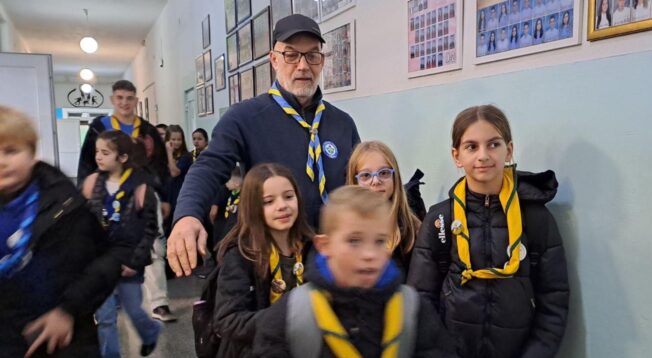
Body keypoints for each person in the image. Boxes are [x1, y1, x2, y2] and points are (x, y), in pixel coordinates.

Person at [240, 186, 488, 358]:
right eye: (354, 241)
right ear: (324, 245)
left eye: (379, 241)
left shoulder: (411, 309)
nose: (369, 254)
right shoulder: (294, 313)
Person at [407, 105, 569, 358]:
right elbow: (420, 302)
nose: (483, 155)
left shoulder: (536, 220)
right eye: (471, 146)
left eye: (493, 144)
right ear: (456, 156)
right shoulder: (439, 220)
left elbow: (554, 306)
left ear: (509, 150)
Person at [168, 14, 361, 278]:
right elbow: (210, 166)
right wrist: (187, 215)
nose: (303, 66)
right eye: (291, 55)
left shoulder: (342, 123)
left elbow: (359, 183)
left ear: (322, 60)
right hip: (272, 264)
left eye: (312, 55)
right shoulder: (245, 117)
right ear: (274, 60)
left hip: (335, 262)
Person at [0, 107, 121, 358]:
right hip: (7, 349)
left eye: (11, 151)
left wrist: (68, 310)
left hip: (65, 344)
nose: (2, 162)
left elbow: (105, 262)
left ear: (31, 153)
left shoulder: (65, 204)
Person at [213, 163, 314, 358]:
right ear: (252, 207)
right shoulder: (241, 255)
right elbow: (227, 320)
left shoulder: (311, 246)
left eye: (288, 197)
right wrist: (288, 316)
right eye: (268, 201)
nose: (282, 206)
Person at [81, 131, 162, 358]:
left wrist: (134, 262)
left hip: (129, 262)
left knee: (134, 311)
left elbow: (149, 230)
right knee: (105, 318)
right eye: (97, 152)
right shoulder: (94, 184)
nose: (98, 157)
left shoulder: (140, 187)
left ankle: (151, 331)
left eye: (105, 152)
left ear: (123, 157)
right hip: (102, 263)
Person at [346, 141, 421, 276]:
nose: (375, 181)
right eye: (366, 175)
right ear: (354, 181)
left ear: (395, 178)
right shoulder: (343, 230)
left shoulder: (414, 229)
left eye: (384, 173)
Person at [77, 81, 167, 184]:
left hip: (141, 186)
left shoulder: (148, 131)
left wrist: (158, 189)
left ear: (136, 101)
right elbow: (86, 162)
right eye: (119, 97)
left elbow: (160, 164)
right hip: (105, 187)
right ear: (112, 99)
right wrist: (83, 187)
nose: (124, 102)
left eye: (129, 98)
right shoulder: (98, 127)